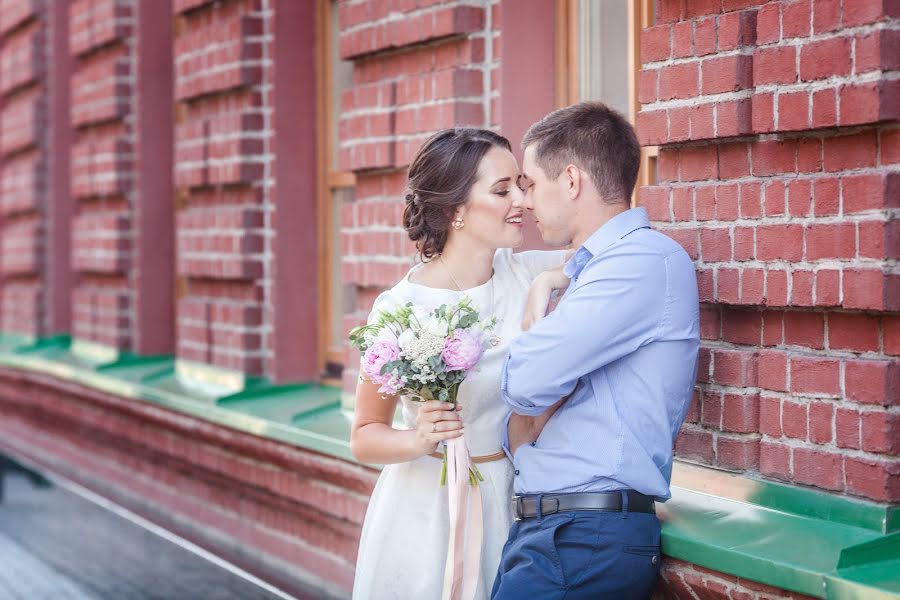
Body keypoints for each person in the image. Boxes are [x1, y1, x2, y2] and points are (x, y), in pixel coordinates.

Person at [491, 102, 700, 599]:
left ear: (570, 181)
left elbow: (525, 383)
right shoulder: (591, 270)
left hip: (584, 538)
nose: (525, 201)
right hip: (556, 533)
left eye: (531, 183)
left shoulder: (642, 262)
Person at [350, 128, 568, 600]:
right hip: (424, 509)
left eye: (522, 186)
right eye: (502, 190)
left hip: (510, 500)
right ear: (455, 211)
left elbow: (608, 256)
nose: (522, 202)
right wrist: (418, 437)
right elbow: (365, 435)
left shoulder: (527, 273)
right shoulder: (400, 308)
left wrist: (547, 280)